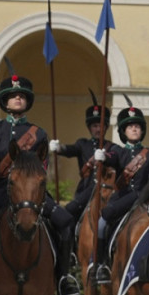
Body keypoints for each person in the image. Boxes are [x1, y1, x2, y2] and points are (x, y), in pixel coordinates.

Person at [0, 73, 81, 295]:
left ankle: (63, 277)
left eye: (22, 96)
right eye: (13, 96)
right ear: (5, 101)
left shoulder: (38, 133)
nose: (18, 99)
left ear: (27, 101)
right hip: (1, 189)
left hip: (31, 190)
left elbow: (41, 167)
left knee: (65, 221)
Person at [92, 98, 149, 284]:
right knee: (102, 221)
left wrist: (147, 200)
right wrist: (103, 156)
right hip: (121, 199)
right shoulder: (118, 151)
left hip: (143, 199)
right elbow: (111, 158)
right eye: (130, 127)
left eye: (137, 126)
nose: (134, 129)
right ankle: (101, 264)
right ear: (123, 131)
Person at [50, 91, 118, 224]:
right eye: (95, 126)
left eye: (101, 126)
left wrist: (105, 156)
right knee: (68, 213)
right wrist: (58, 148)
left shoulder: (113, 147)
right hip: (85, 191)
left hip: (104, 191)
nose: (98, 129)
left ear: (106, 128)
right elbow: (69, 150)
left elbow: (116, 158)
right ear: (89, 128)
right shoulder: (82, 144)